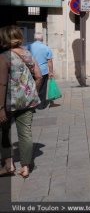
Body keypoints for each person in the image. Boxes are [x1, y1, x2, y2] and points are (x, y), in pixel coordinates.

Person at [0, 26, 42, 179]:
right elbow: (39, 76)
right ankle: (25, 167)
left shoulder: (4, 57)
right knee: (25, 133)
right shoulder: (28, 54)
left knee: (3, 132)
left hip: (8, 103)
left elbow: (2, 84)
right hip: (27, 102)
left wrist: (0, 108)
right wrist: (32, 92)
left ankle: (8, 165)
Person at [26, 32, 53, 109]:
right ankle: (41, 105)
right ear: (42, 39)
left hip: (31, 71)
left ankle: (31, 104)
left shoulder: (28, 47)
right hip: (43, 71)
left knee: (30, 88)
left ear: (34, 38)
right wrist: (51, 71)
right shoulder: (46, 48)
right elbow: (50, 61)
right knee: (42, 88)